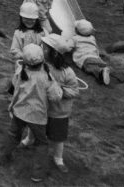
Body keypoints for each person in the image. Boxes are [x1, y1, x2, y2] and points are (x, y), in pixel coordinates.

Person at [0, 43, 63, 183]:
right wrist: (60, 89)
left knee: (13, 135)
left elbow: (14, 85)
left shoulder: (20, 71)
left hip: (19, 112)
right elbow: (55, 96)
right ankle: (37, 174)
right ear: (42, 59)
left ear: (24, 60)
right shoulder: (46, 77)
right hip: (37, 116)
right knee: (41, 143)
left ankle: (5, 156)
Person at [41, 34, 82, 174]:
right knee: (36, 128)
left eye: (45, 48)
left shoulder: (67, 72)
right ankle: (29, 139)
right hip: (42, 108)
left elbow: (75, 92)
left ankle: (58, 158)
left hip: (59, 112)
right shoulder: (42, 65)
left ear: (53, 52)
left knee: (58, 138)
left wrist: (59, 90)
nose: (42, 50)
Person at [71, 19, 124, 88]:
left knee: (93, 68)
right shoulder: (92, 38)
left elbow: (67, 47)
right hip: (96, 57)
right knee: (108, 68)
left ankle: (101, 72)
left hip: (85, 59)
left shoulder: (75, 39)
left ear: (76, 31)